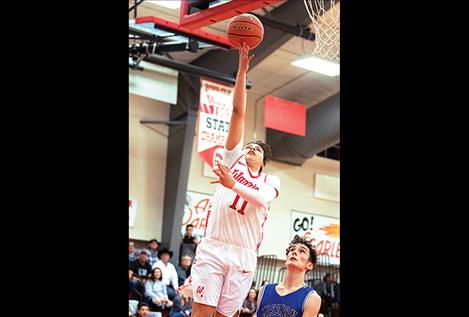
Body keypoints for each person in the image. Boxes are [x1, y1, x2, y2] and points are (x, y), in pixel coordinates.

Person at [179, 43, 281, 317]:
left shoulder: (271, 181)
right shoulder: (232, 158)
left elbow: (260, 200)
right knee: (201, 313)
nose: (250, 149)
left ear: (263, 160)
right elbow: (238, 113)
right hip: (213, 246)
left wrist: (232, 185)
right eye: (249, 146)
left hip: (243, 253)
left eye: (257, 149)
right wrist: (241, 72)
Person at [256, 235, 321, 317]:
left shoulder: (311, 298)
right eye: (292, 249)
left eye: (302, 251)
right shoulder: (264, 290)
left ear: (309, 265)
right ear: (286, 260)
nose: (294, 252)